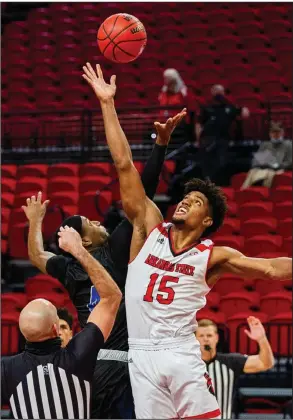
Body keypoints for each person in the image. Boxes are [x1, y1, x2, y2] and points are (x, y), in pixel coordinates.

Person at [82, 62, 292, 419]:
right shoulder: (149, 228)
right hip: (140, 354)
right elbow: (123, 165)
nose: (184, 201)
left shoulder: (213, 255)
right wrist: (107, 104)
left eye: (195, 202)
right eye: (185, 197)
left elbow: (271, 269)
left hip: (180, 352)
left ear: (207, 220)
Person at [25, 111, 184, 418]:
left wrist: (34, 222)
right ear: (84, 242)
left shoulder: (69, 270)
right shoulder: (113, 249)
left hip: (89, 365)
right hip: (124, 366)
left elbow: (37, 256)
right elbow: (142, 194)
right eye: (91, 223)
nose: (99, 222)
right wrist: (161, 146)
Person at [1, 224, 122, 420]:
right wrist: (78, 250)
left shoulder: (6, 369)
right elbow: (111, 297)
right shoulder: (80, 354)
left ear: (23, 334)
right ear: (56, 328)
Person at [195, 317, 275, 419]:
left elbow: (266, 363)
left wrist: (262, 339)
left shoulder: (230, 362)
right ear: (195, 340)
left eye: (209, 335)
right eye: (201, 336)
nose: (205, 339)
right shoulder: (186, 365)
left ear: (216, 338)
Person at [196, 84, 250, 183]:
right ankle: (208, 182)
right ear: (212, 92)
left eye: (220, 90)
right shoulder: (206, 107)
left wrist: (244, 109)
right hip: (208, 139)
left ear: (224, 92)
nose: (218, 92)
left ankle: (220, 183)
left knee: (221, 163)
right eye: (215, 90)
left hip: (223, 139)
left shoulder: (229, 107)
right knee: (207, 165)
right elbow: (199, 124)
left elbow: (244, 114)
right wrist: (198, 139)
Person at [241, 121, 292, 188]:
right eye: (273, 132)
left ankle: (265, 192)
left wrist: (277, 165)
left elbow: (290, 162)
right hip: (264, 168)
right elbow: (255, 162)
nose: (276, 135)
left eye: (278, 132)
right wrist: (262, 165)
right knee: (253, 171)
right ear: (270, 134)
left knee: (269, 173)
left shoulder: (288, 144)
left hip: (279, 169)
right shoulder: (265, 145)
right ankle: (245, 191)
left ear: (283, 133)